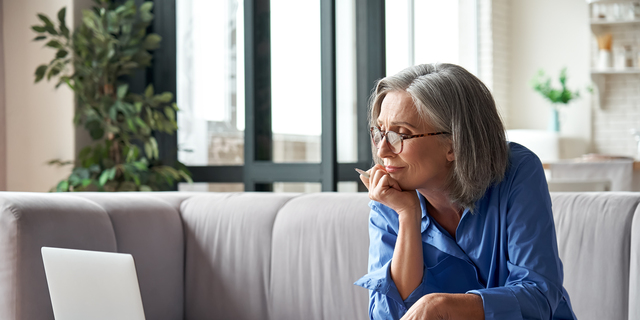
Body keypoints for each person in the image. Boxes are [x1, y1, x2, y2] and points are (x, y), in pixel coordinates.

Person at [353, 63, 576, 320]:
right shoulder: (390, 195)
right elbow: (387, 315)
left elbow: (539, 296)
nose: (382, 151)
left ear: (454, 144)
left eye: (401, 135)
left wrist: (443, 306)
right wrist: (407, 215)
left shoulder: (517, 171)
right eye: (380, 132)